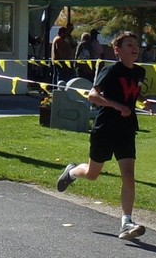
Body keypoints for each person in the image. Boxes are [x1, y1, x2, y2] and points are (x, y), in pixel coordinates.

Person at [55, 31, 149, 241]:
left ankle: (126, 222)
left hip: (126, 129)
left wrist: (143, 101)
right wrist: (117, 106)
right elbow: (93, 95)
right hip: (105, 128)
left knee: (128, 174)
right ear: (117, 50)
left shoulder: (139, 72)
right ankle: (71, 172)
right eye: (129, 45)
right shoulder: (111, 70)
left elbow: (132, 90)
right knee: (92, 173)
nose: (134, 48)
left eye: (136, 44)